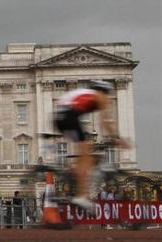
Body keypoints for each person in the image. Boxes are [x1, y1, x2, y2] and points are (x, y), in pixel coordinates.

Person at [53, 79, 130, 211]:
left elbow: (101, 124)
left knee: (83, 154)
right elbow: (105, 122)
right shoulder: (100, 96)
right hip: (69, 117)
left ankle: (71, 174)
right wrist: (118, 139)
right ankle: (81, 196)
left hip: (59, 118)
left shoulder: (87, 93)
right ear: (104, 91)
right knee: (87, 157)